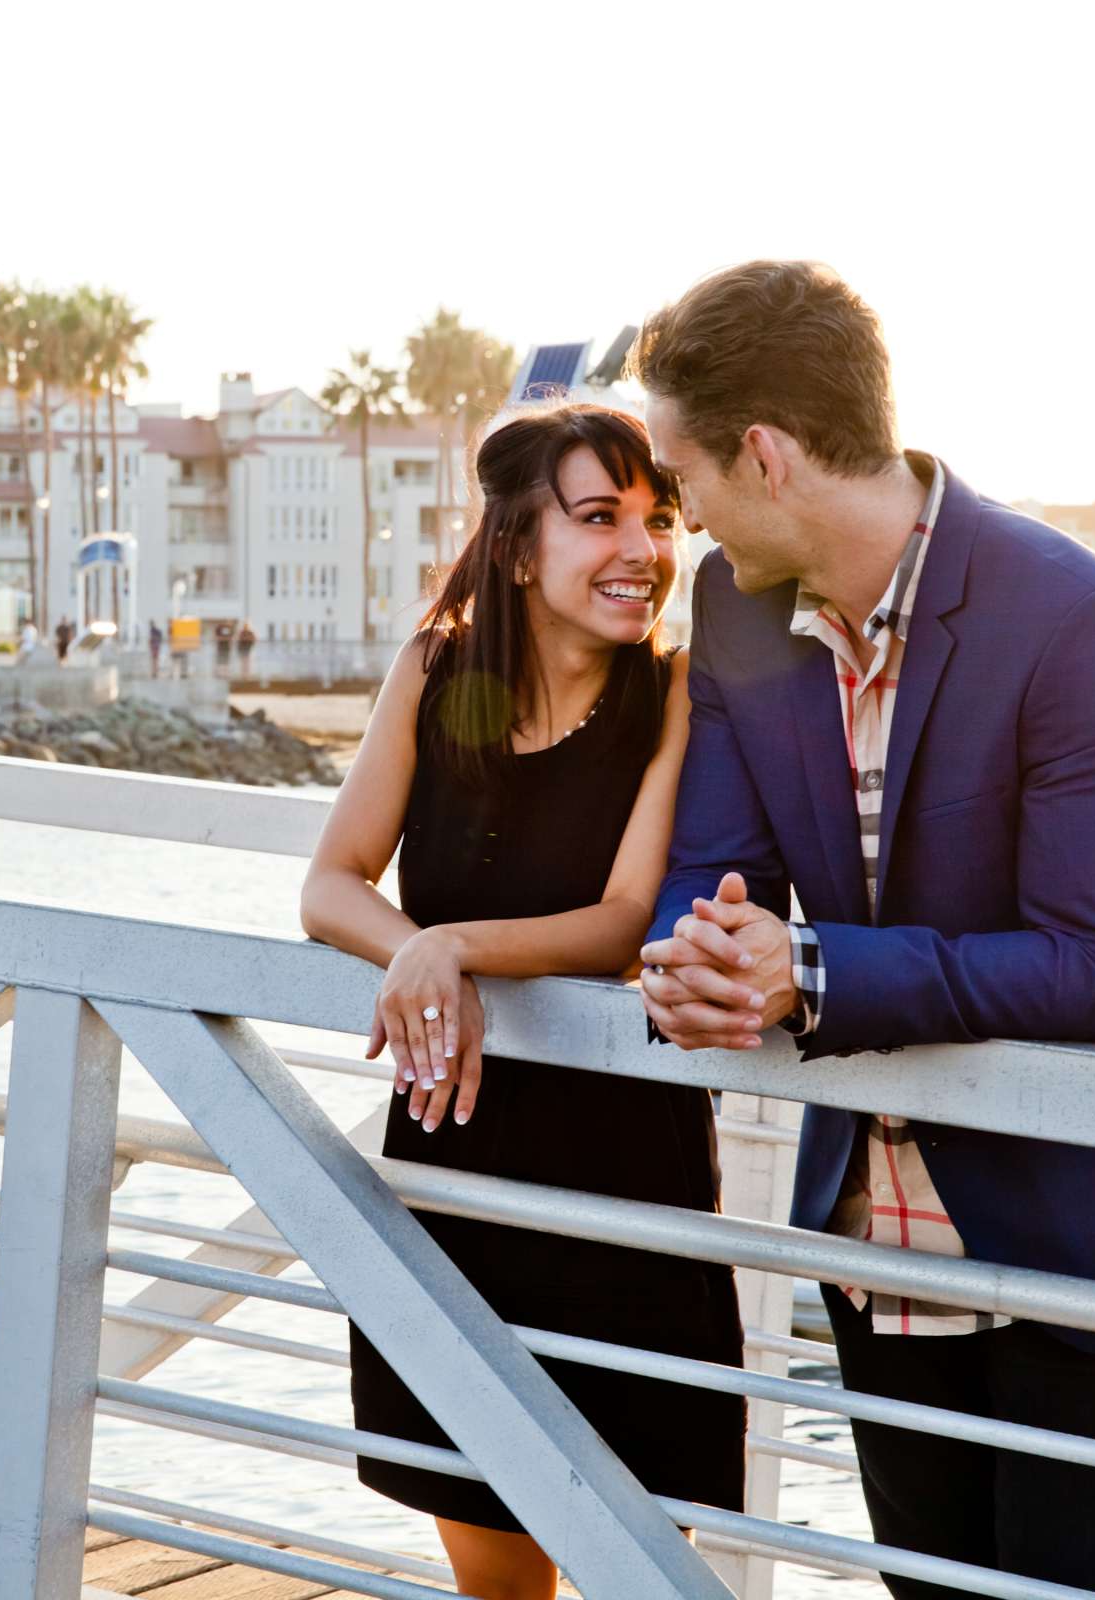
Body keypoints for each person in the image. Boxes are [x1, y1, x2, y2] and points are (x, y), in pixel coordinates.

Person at [632, 261, 1095, 1599]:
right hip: (869, 1230)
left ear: (768, 456)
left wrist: (804, 972)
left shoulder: (1081, 622)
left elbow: (1091, 969)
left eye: (683, 481)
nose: (677, 525)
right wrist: (693, 959)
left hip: (1074, 1232)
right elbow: (713, 869)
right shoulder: (736, 606)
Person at [300, 403, 740, 1600]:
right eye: (599, 518)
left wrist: (449, 944)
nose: (640, 550)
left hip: (626, 1186)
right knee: (496, 1578)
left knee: (640, 1563)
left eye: (656, 519)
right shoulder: (436, 672)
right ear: (514, 543)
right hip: (457, 1161)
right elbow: (331, 886)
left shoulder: (676, 695)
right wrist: (418, 953)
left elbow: (621, 917)